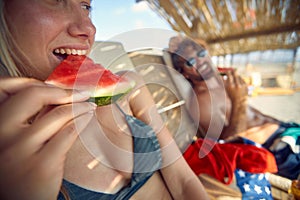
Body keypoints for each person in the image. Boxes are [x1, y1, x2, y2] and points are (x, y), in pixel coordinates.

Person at [0, 1, 209, 200]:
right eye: (55, 0)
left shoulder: (130, 86)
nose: (88, 28)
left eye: (86, 6)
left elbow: (184, 181)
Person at [170, 36, 300, 180]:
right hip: (278, 149)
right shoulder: (201, 102)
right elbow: (229, 146)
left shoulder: (225, 82)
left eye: (201, 54)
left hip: (287, 130)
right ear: (184, 73)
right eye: (190, 62)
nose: (200, 61)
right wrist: (239, 100)